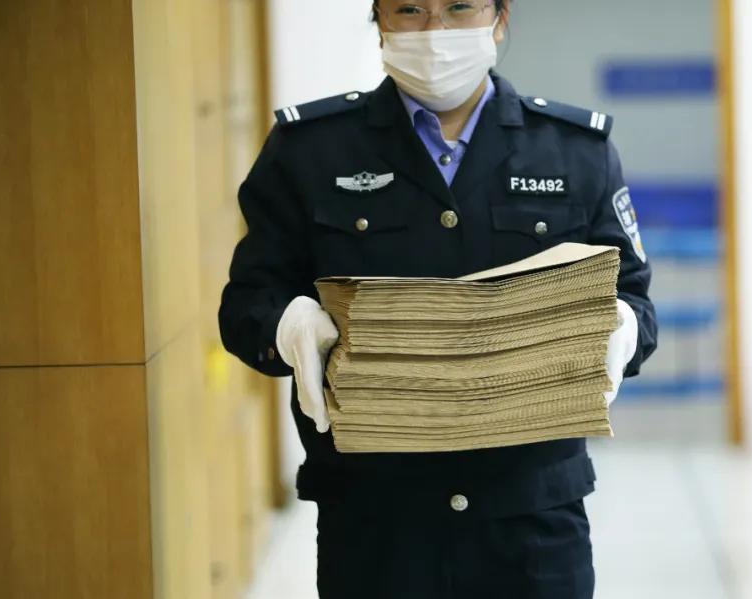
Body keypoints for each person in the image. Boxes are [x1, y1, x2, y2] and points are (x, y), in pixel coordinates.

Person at [218, 1, 657, 596]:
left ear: (500, 17)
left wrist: (621, 326)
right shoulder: (309, 151)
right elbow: (247, 302)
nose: (436, 31)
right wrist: (287, 324)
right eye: (410, 10)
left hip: (531, 526)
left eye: (458, 7)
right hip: (374, 524)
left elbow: (634, 299)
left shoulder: (575, 151)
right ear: (379, 21)